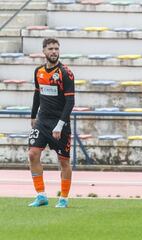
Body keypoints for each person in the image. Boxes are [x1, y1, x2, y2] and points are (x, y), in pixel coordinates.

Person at [28, 38, 75, 208]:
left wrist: (60, 125)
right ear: (44, 51)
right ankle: (41, 195)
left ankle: (63, 197)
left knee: (63, 161)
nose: (54, 51)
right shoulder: (38, 71)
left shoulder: (65, 73)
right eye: (50, 49)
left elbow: (70, 102)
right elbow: (36, 94)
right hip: (42, 121)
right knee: (32, 154)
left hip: (60, 123)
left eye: (56, 48)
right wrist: (33, 116)